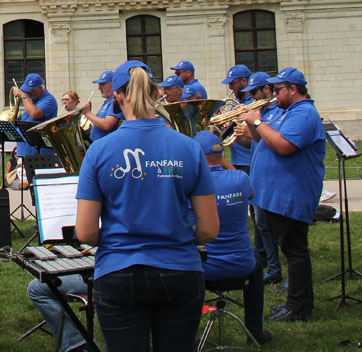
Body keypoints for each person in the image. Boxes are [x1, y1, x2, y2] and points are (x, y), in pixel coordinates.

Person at [75, 61, 218, 351]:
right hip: (179, 269)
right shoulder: (189, 147)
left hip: (118, 271)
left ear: (117, 97)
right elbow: (209, 229)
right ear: (156, 93)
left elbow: (86, 233)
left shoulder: (99, 151)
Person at [240, 67, 325, 322]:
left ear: (293, 89)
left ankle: (298, 307)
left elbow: (285, 146)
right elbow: (263, 140)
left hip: (291, 194)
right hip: (275, 194)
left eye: (278, 89)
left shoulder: (303, 114)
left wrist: (258, 121)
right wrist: (252, 123)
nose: (273, 94)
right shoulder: (285, 112)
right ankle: (295, 302)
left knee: (295, 251)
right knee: (289, 249)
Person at [196, 131, 271, 345]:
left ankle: (186, 335)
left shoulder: (192, 184)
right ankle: (255, 331)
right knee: (257, 264)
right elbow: (251, 193)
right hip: (242, 265)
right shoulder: (240, 179)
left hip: (204, 268)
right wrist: (224, 162)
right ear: (222, 155)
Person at [239, 72, 281, 284]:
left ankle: (274, 269)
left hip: (272, 179)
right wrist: (244, 128)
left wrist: (255, 121)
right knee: (260, 224)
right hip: (257, 175)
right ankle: (268, 265)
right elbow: (254, 141)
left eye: (255, 92)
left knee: (271, 226)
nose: (252, 97)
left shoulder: (277, 112)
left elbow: (273, 141)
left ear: (267, 90)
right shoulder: (260, 112)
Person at [15, 72, 58, 160]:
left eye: (31, 90)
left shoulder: (49, 100)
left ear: (40, 88)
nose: (28, 93)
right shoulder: (31, 100)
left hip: (40, 152)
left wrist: (24, 96)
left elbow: (35, 114)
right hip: (25, 149)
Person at [221, 65, 253, 172]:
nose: (230, 87)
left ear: (244, 81)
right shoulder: (235, 102)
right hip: (235, 159)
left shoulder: (254, 102)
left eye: (232, 83)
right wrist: (224, 125)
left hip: (249, 161)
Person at [81, 70, 123, 143]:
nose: (99, 88)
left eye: (102, 84)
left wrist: (87, 113)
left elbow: (107, 124)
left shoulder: (115, 102)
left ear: (113, 84)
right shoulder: (108, 102)